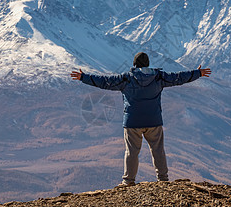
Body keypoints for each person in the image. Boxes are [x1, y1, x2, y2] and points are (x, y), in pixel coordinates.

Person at [70, 52, 211, 186]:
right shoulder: (158, 77)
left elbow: (104, 81)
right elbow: (178, 77)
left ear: (135, 64)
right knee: (158, 150)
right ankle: (163, 179)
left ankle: (128, 181)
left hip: (132, 122)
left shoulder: (126, 78)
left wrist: (83, 77)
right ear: (148, 64)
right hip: (153, 121)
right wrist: (197, 73)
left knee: (131, 152)